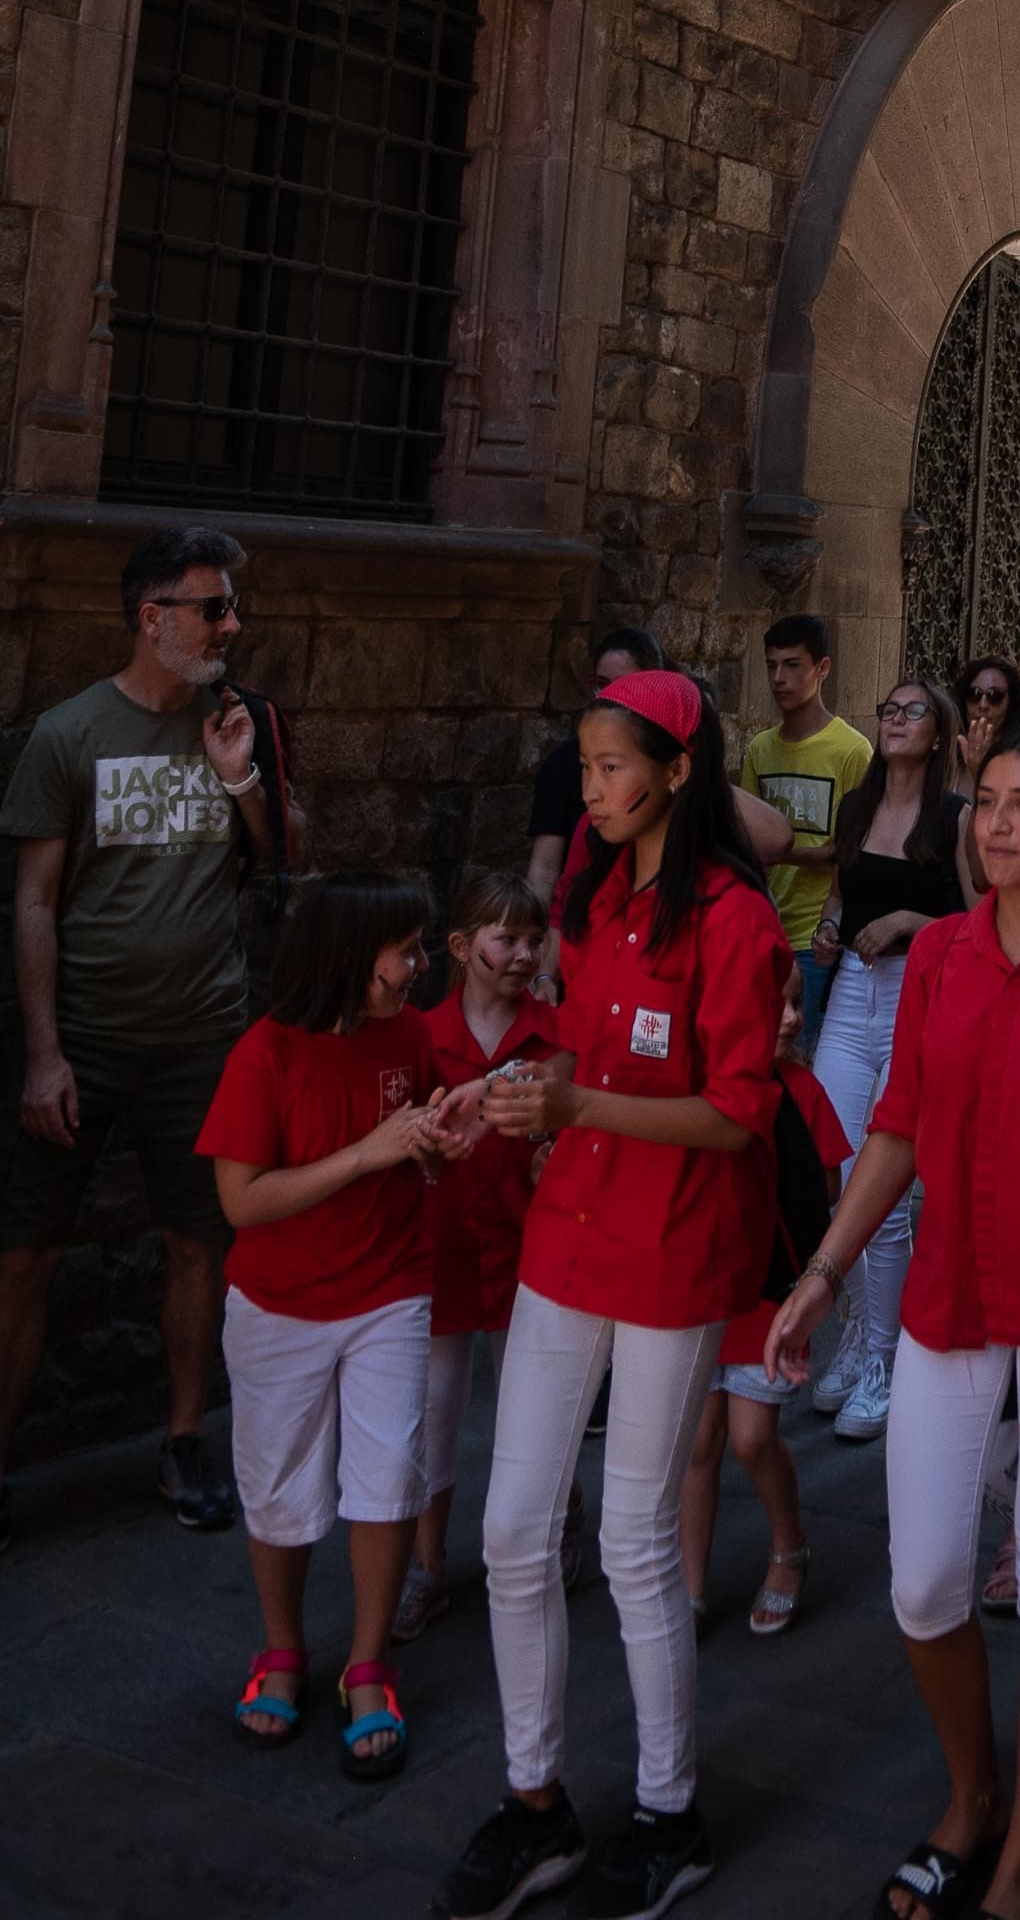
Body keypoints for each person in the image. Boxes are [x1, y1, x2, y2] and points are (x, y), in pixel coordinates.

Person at [763, 726, 1020, 1920]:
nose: (995, 824)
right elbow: (895, 1124)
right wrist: (827, 1269)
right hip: (949, 1293)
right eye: (986, 801)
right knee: (926, 1581)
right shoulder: (942, 955)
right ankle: (974, 1792)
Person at [435, 667, 789, 1920]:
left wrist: (579, 1100)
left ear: (677, 771)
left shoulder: (737, 922)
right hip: (568, 1235)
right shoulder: (592, 888)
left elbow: (741, 1112)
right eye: (582, 766)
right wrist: (516, 1095)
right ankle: (535, 1799)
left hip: (674, 1250)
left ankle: (667, 1807)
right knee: (514, 1526)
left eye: (611, 766)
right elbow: (581, 1043)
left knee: (637, 1539)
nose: (589, 788)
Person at [0, 524, 305, 1548]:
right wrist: (43, 1051)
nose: (231, 622)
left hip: (200, 1039)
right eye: (211, 605)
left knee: (194, 1243)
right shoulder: (69, 732)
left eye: (230, 605)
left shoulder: (238, 722)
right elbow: (34, 902)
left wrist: (240, 779)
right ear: (152, 615)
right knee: (26, 1253)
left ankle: (182, 1437)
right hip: (82, 1038)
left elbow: (281, 862)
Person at [198, 870, 452, 1779]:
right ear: (349, 957)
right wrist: (368, 1153)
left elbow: (414, 1139)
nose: (419, 967)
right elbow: (242, 1201)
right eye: (406, 950)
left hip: (389, 1286)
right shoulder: (264, 1055)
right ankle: (282, 1651)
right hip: (278, 1301)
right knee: (277, 1482)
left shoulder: (410, 1035)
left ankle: (369, 1662)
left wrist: (436, 1142)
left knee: (387, 1474)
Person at [399, 870, 566, 1644]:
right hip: (443, 1247)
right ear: (463, 948)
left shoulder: (560, 1036)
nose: (524, 954)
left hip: (532, 1244)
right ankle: (426, 1567)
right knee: (433, 1413)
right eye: (507, 938)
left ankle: (549, 1529)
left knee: (536, 1407)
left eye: (535, 939)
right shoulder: (421, 1037)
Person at [808, 678, 968, 1447]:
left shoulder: (954, 817)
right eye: (889, 708)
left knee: (890, 1192)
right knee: (838, 1173)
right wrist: (831, 927)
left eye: (912, 711)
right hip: (850, 993)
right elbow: (841, 893)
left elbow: (974, 920)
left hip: (913, 992)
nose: (895, 720)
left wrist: (910, 919)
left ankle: (883, 1360)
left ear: (938, 735)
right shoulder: (859, 807)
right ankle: (854, 1334)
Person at [677, 1028, 850, 1639]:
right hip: (698, 1281)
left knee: (751, 1439)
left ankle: (789, 1547)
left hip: (769, 1286)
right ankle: (689, 1586)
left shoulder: (801, 1089)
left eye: (796, 1002)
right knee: (697, 1440)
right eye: (772, 1002)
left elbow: (826, 1187)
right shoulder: (691, 1084)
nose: (784, 1017)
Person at [743, 615, 873, 1051]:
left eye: (793, 665)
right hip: (763, 927)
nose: (779, 678)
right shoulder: (760, 748)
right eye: (771, 665)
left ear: (823, 668)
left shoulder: (853, 750)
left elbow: (846, 851)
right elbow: (745, 840)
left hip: (816, 935)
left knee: (806, 1052)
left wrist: (779, 850)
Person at [527, 626, 660, 911]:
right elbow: (544, 870)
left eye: (622, 684)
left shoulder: (666, 767)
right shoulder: (563, 765)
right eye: (601, 683)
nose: (609, 695)